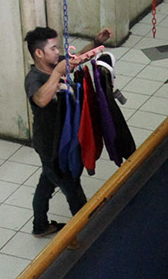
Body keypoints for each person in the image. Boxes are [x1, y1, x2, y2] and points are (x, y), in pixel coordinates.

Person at [24, 25, 111, 237]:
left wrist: (96, 43)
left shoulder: (56, 63)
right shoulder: (34, 78)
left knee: (46, 182)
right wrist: (57, 73)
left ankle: (40, 226)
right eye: (53, 48)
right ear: (39, 53)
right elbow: (41, 99)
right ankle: (87, 230)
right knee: (72, 186)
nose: (57, 52)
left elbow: (77, 58)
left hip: (64, 138)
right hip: (49, 145)